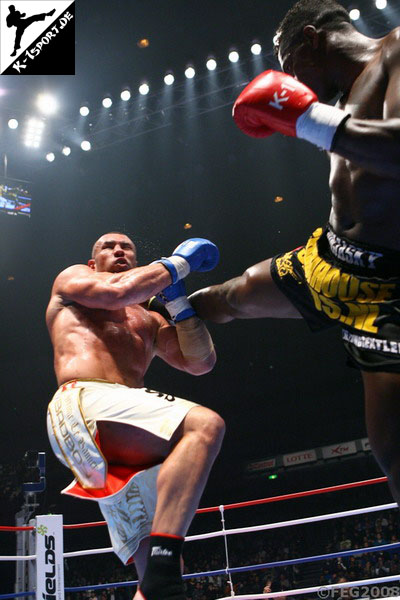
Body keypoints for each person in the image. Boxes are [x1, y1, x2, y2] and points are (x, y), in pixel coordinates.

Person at [190, 0, 400, 504]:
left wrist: (303, 117)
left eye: (288, 65)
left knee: (392, 452)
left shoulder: (395, 52)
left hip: (390, 290)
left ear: (311, 38)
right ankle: (146, 314)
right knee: (228, 296)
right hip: (331, 257)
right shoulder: (340, 98)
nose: (292, 82)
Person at [46, 232, 225, 600]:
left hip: (124, 424)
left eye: (127, 246)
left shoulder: (148, 319)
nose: (119, 250)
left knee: (156, 563)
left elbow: (200, 362)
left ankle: (158, 578)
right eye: (108, 247)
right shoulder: (72, 280)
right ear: (92, 263)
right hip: (85, 400)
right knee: (204, 425)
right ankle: (163, 564)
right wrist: (178, 264)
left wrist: (178, 306)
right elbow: (117, 292)